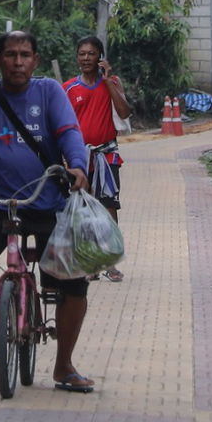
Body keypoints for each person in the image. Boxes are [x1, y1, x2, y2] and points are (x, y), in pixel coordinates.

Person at [0, 30, 96, 392]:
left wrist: (77, 165)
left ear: (35, 60)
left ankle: (64, 366)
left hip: (48, 201)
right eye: (11, 55)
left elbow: (70, 131)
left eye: (26, 54)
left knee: (74, 283)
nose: (19, 61)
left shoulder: (50, 92)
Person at [62, 36, 131, 282]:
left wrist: (108, 81)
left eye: (91, 54)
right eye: (82, 54)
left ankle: (110, 263)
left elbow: (124, 112)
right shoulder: (69, 88)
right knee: (82, 210)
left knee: (109, 207)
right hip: (79, 158)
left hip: (106, 155)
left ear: (100, 57)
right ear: (77, 57)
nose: (86, 58)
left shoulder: (111, 83)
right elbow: (61, 124)